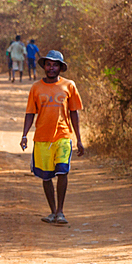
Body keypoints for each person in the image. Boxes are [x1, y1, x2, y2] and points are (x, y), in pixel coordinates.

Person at [20, 50, 85, 225]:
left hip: (63, 136)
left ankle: (60, 212)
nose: (51, 68)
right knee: (46, 176)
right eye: (48, 64)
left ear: (60, 68)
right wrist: (24, 135)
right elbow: (30, 113)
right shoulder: (36, 88)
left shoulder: (69, 86)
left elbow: (74, 113)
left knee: (63, 171)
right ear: (44, 66)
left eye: (55, 64)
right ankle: (52, 211)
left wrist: (79, 139)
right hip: (42, 138)